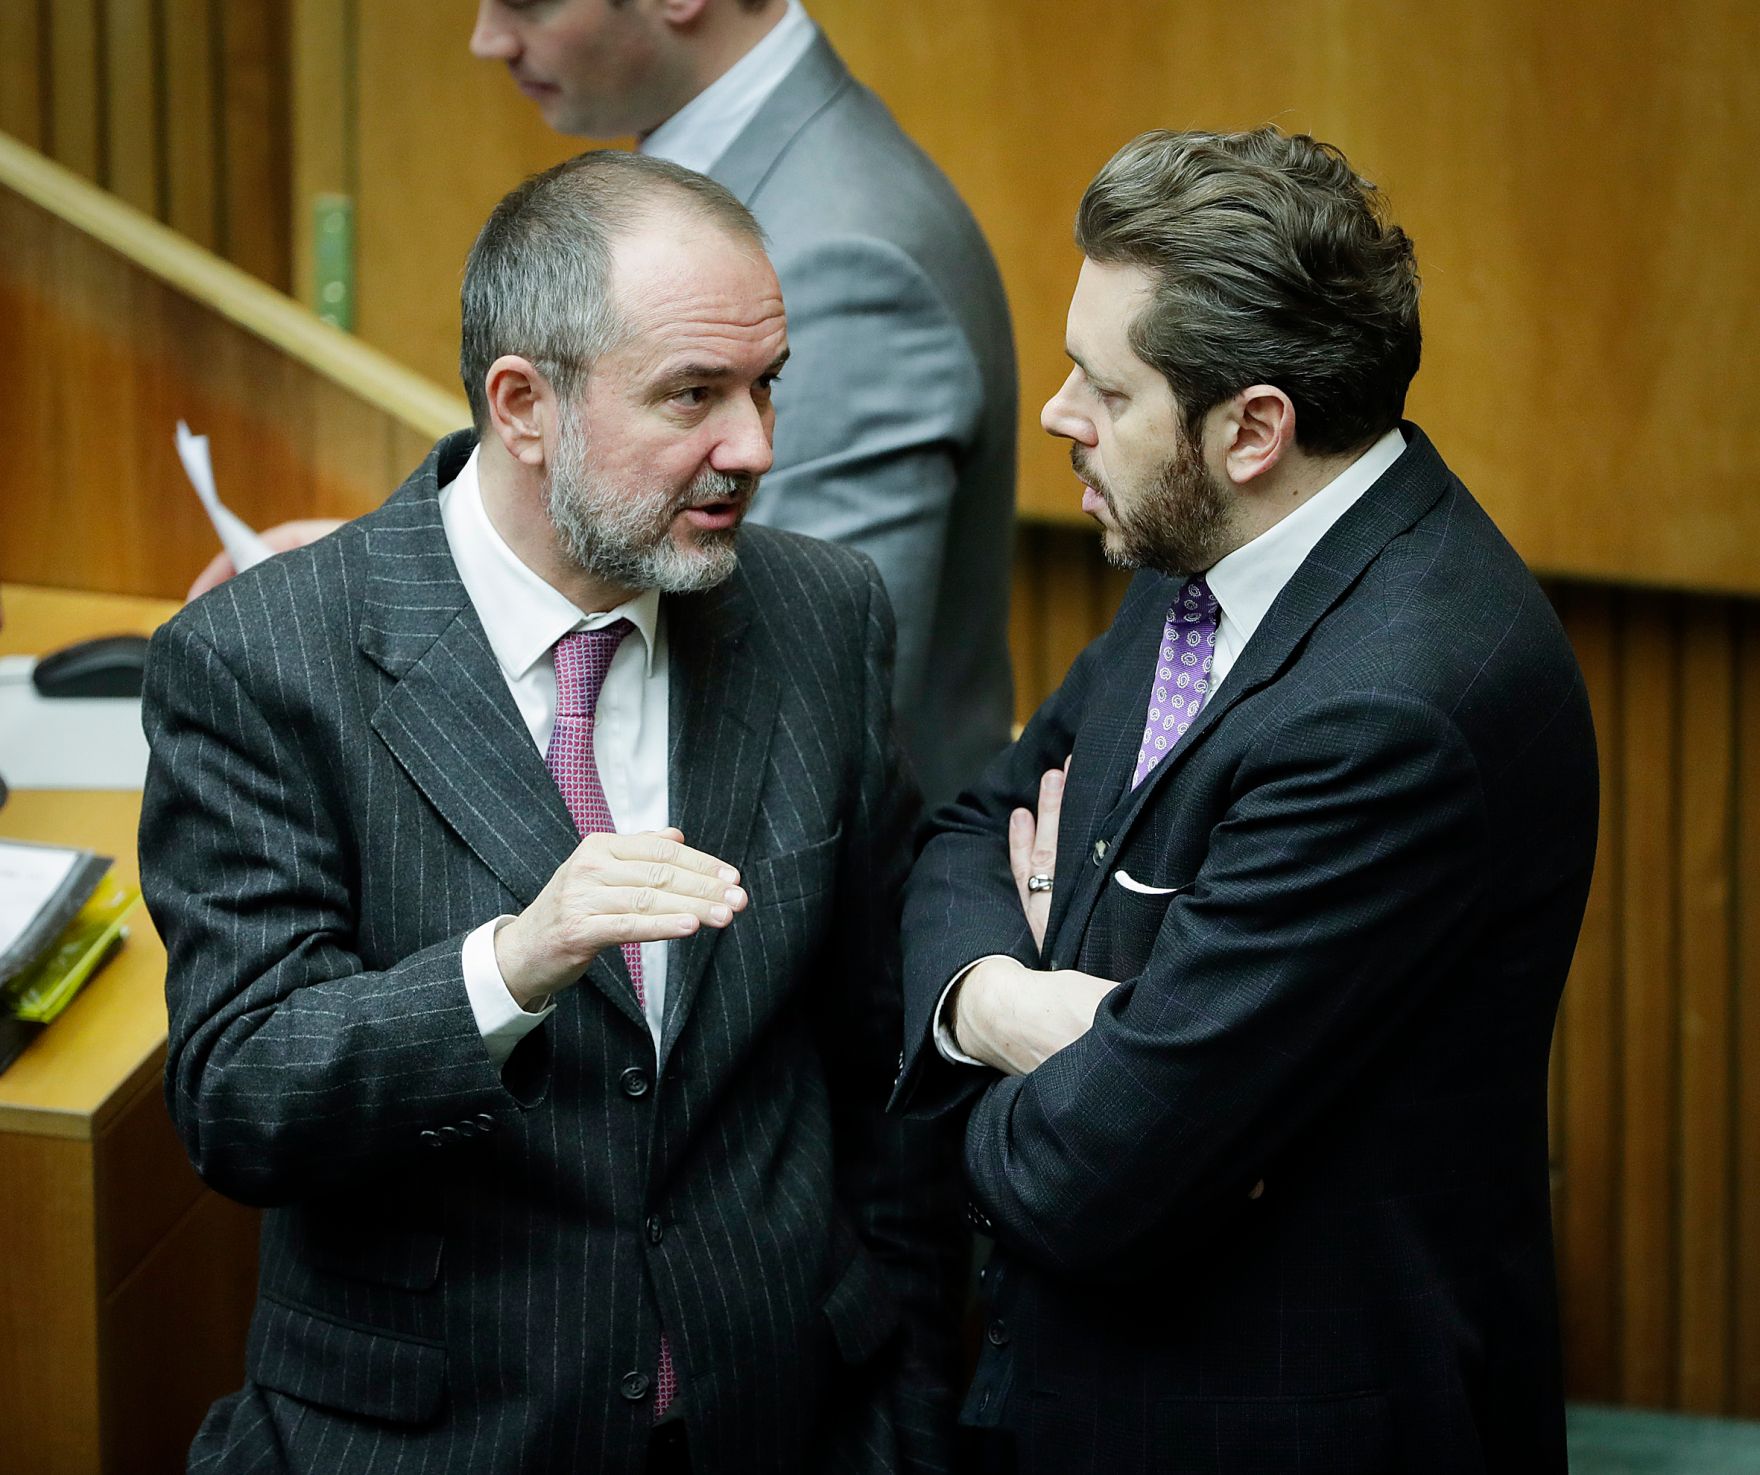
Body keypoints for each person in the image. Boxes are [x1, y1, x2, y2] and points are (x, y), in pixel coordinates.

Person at [142, 151, 961, 1475]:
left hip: (790, 1417)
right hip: (440, 1434)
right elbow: (240, 1097)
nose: (751, 445)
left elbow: (879, 1066)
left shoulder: (822, 616)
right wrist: (509, 965)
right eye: (693, 394)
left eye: (766, 386)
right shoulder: (264, 656)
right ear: (524, 404)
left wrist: (915, 1413)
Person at [893, 127, 1598, 1474]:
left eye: (1104, 386)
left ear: (1253, 426)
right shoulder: (1207, 539)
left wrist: (1015, 1058)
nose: (1056, 413)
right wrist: (1015, 1003)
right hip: (1077, 1386)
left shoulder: (1397, 707)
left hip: (1271, 1421)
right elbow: (974, 830)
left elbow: (1089, 1178)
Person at [196, 0, 1018, 810]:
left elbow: (781, 685)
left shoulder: (846, 249)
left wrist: (425, 602)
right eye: (694, 391)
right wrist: (408, 567)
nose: (487, 37)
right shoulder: (733, 176)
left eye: (525, 2)